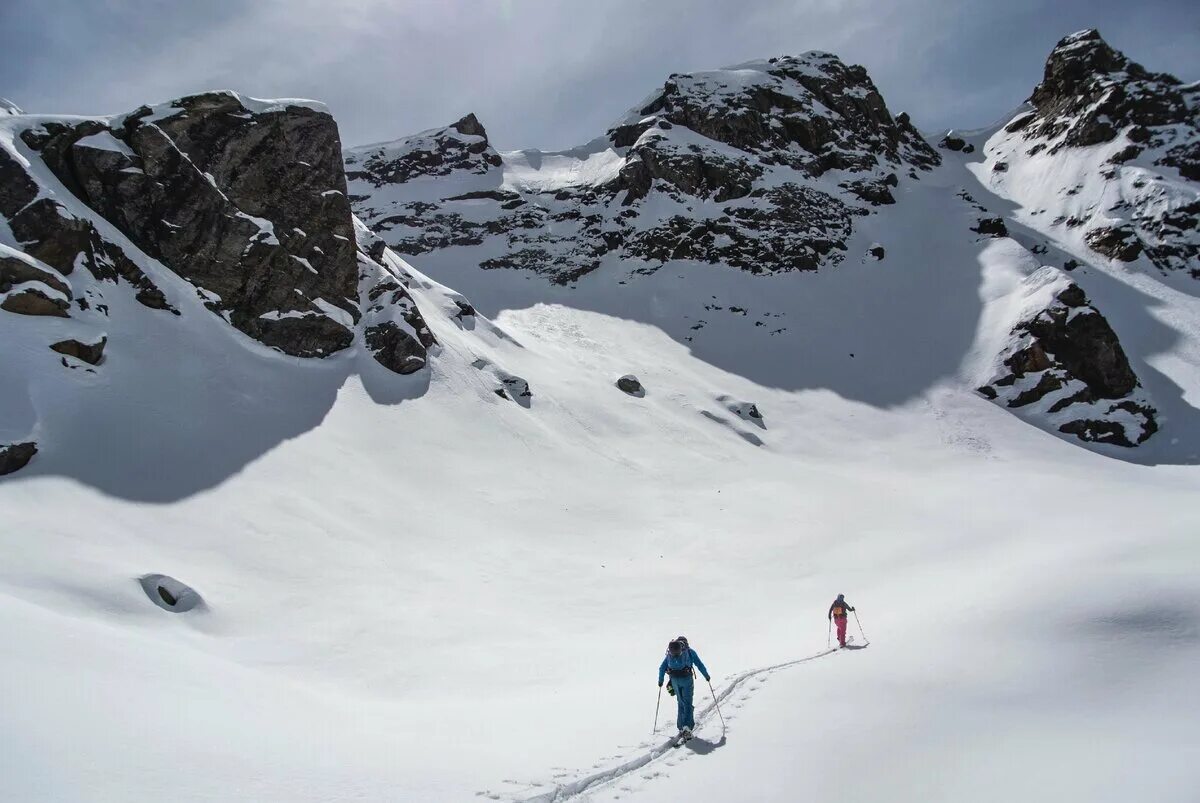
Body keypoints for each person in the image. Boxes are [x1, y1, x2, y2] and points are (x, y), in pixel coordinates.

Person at [657, 636, 710, 741]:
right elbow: (699, 664)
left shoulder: (670, 654)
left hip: (674, 680)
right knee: (688, 702)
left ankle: (680, 727)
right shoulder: (689, 651)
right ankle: (687, 727)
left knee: (680, 702)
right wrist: (706, 676)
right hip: (686, 679)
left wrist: (661, 681)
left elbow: (662, 667)